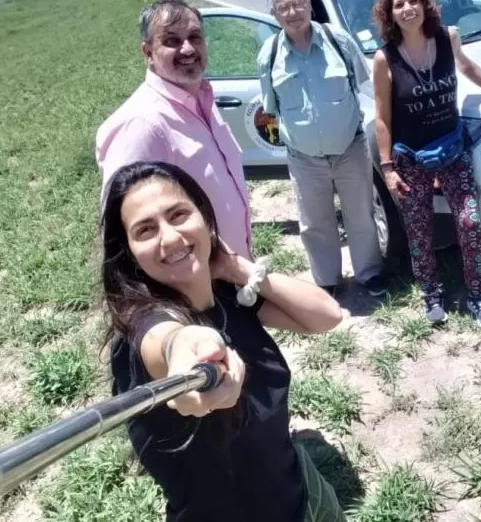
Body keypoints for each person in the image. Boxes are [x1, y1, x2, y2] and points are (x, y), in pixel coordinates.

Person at [102, 160, 346, 522]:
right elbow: (168, 343)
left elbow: (326, 315)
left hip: (303, 498)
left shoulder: (230, 298)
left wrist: (238, 268)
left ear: (205, 216)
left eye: (179, 214)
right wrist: (186, 359)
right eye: (145, 230)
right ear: (130, 253)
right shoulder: (140, 331)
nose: (169, 237)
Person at [370, 0, 481, 327]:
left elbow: (467, 67)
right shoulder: (385, 59)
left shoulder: (447, 38)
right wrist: (388, 167)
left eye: (412, 1)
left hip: (453, 149)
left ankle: (479, 296)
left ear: (424, 3)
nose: (407, 8)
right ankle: (431, 294)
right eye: (399, 5)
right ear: (390, 15)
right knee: (419, 230)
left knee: (470, 222)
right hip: (410, 158)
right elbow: (382, 117)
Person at [96, 0, 252, 259]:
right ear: (148, 53)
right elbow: (121, 232)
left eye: (195, 37)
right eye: (172, 41)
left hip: (235, 273)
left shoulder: (201, 100)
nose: (188, 49)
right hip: (195, 286)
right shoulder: (141, 124)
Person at [258, 0, 387, 297]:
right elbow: (271, 107)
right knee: (314, 222)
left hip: (350, 149)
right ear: (275, 14)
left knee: (361, 214)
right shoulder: (269, 54)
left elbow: (361, 85)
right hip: (304, 158)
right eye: (283, 7)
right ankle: (327, 281)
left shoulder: (338, 40)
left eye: (297, 3)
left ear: (309, 4)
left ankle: (369, 273)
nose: (292, 12)